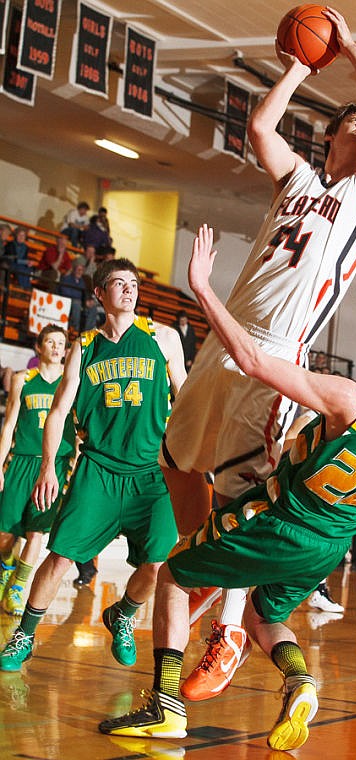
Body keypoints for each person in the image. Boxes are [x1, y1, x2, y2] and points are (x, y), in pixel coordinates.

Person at [98, 223, 356, 750]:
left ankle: (166, 708)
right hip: (329, 550)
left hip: (280, 523)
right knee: (262, 616)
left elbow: (252, 362)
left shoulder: (352, 402)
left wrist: (203, 288)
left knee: (174, 580)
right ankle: (299, 682)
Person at [159, 7, 356, 689]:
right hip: (223, 338)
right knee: (178, 461)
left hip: (275, 356)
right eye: (349, 124)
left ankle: (228, 632)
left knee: (240, 490)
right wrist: (300, 62)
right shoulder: (297, 179)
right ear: (329, 139)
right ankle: (199, 570)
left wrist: (346, 46)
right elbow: (262, 127)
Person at [0, 257, 187, 672]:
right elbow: (60, 410)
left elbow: (187, 402)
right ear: (100, 294)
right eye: (118, 283)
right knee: (61, 556)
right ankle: (24, 635)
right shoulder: (84, 347)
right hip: (98, 469)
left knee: (158, 563)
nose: (129, 289)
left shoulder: (163, 337)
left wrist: (191, 462)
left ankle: (122, 614)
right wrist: (49, 465)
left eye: (134, 283)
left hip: (150, 474)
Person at [0, 325, 74, 615]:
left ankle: (17, 588)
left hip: (54, 465)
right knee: (6, 534)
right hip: (22, 461)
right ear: (39, 347)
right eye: (51, 342)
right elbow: (9, 427)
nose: (57, 347)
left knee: (36, 532)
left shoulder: (72, 383)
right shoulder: (23, 380)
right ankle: (6, 566)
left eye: (61, 343)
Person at [59, 260, 98, 332]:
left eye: (82, 270)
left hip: (80, 302)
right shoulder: (67, 278)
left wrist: (88, 301)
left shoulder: (81, 281)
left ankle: (87, 332)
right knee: (77, 303)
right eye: (78, 269)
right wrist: (83, 301)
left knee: (93, 307)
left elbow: (84, 293)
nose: (80, 272)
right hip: (67, 301)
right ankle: (74, 330)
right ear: (74, 270)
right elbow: (64, 292)